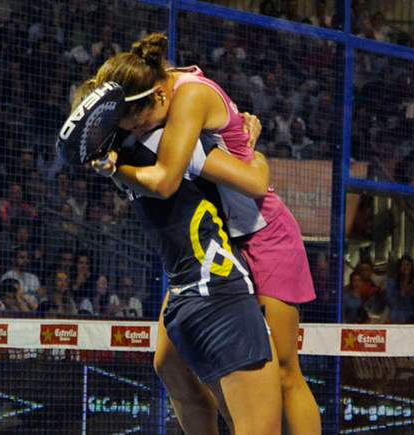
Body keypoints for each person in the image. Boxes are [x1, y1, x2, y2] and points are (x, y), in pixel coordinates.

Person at [92, 32, 320, 434]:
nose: (137, 130)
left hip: (262, 234)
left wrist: (113, 168)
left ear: (158, 99)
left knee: (285, 373)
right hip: (218, 241)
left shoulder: (188, 99)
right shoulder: (158, 89)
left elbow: (173, 181)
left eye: (139, 120)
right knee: (168, 362)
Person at [92, 128, 283, 434]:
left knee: (172, 369)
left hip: (194, 289)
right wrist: (254, 152)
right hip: (216, 287)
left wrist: (114, 166)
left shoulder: (129, 158)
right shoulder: (162, 146)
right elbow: (256, 181)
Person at [386, 255, 414, 323]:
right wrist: (403, 292)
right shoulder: (392, 282)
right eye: (402, 265)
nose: (405, 267)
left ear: (411, 267)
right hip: (395, 316)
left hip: (411, 317)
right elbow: (390, 302)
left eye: (407, 265)